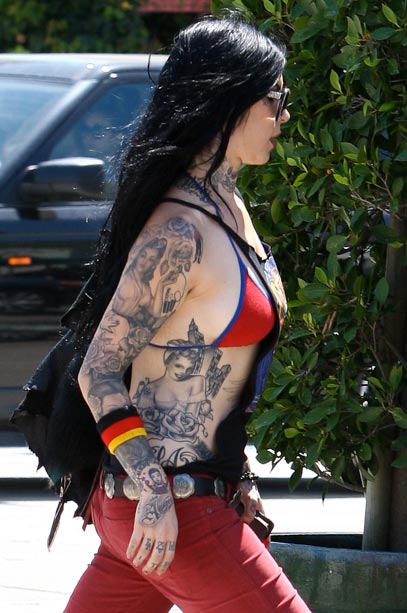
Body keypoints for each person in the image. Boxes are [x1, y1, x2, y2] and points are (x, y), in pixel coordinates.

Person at [64, 14, 311, 613]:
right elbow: (99, 370)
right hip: (171, 511)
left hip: (177, 504)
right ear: (230, 100)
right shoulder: (180, 231)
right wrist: (154, 493)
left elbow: (217, 371)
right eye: (274, 99)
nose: (284, 116)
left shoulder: (227, 205)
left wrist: (239, 476)